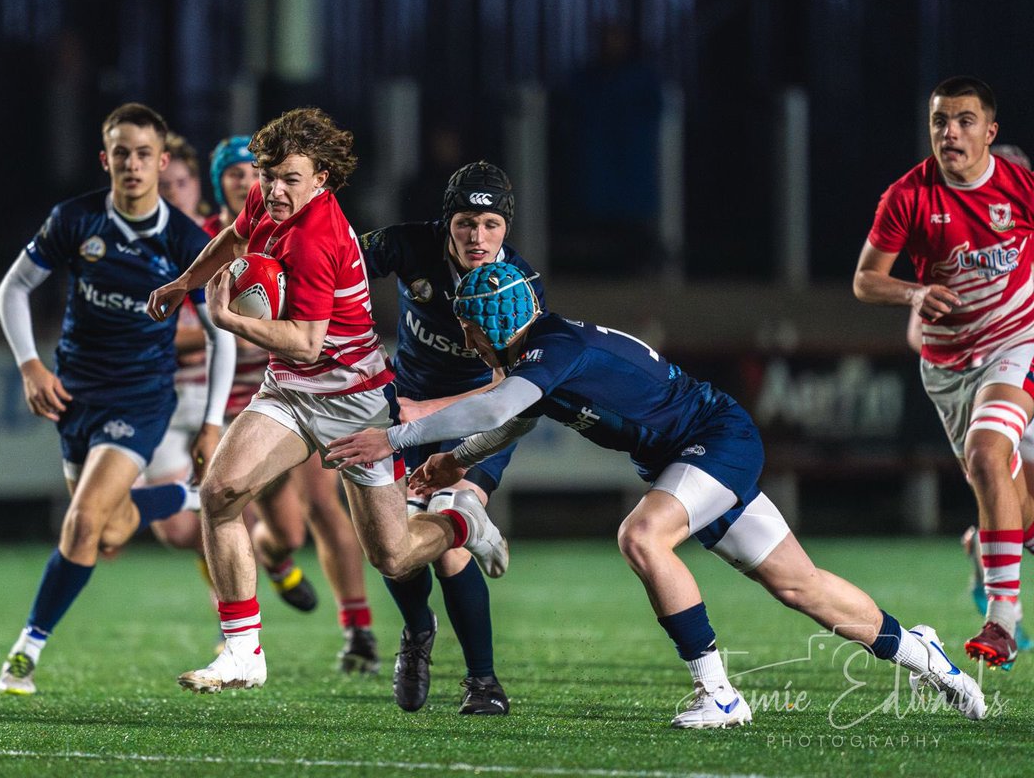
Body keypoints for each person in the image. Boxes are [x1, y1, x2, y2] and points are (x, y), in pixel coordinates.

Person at [328, 261, 986, 727]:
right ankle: (926, 657)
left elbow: (498, 402)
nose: (469, 343)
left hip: (713, 440)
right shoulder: (544, 352)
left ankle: (719, 696)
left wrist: (395, 438)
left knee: (641, 536)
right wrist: (452, 463)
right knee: (801, 586)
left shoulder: (547, 351)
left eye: (470, 331)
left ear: (489, 322)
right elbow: (514, 418)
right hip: (699, 449)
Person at [147, 108, 505, 693]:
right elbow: (234, 237)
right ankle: (243, 652)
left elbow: (308, 342)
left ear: (322, 179)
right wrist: (184, 283)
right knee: (220, 491)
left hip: (353, 402)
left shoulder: (317, 235)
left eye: (290, 178)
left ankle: (462, 523)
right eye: (268, 175)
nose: (274, 189)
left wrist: (225, 317)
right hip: (288, 390)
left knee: (391, 557)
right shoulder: (269, 202)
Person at [0, 103, 235, 695]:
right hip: (74, 394)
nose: (132, 164)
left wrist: (210, 424)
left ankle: (25, 653)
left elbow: (219, 333)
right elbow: (13, 289)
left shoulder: (184, 241)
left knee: (79, 525)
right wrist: (30, 366)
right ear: (106, 159)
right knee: (107, 531)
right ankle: (185, 496)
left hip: (141, 397)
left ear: (162, 162)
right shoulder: (76, 220)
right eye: (121, 153)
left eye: (144, 154)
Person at [854, 76, 1034, 670]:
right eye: (939, 121)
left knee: (988, 458)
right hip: (949, 369)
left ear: (990, 131)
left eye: (963, 120)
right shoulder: (907, 195)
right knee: (1008, 495)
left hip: (1017, 344)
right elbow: (865, 280)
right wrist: (912, 293)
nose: (949, 132)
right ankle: (1002, 544)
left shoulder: (1021, 187)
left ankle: (1003, 621)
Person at [357, 161, 544, 714]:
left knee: (444, 547)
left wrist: (420, 411)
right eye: (465, 222)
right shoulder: (408, 247)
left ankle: (483, 683)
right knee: (396, 547)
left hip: (480, 421)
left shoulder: (520, 286)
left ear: (507, 226)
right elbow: (337, 265)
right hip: (408, 413)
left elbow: (507, 389)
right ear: (447, 222)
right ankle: (418, 631)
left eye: (490, 224)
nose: (477, 238)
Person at [159, 132, 212, 227]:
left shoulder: (220, 235)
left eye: (181, 183)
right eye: (164, 185)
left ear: (196, 184)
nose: (173, 193)